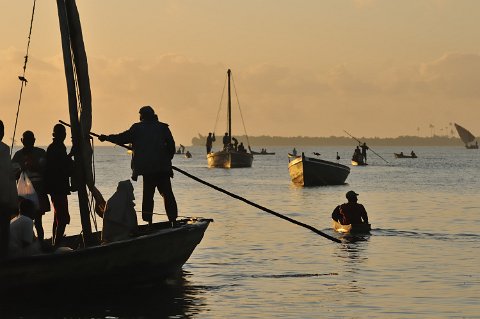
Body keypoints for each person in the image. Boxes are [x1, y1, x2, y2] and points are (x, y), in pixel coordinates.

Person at [98, 106, 178, 225]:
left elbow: (122, 138)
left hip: (148, 170)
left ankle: (149, 223)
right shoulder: (163, 128)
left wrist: (107, 138)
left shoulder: (138, 128)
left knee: (148, 196)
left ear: (142, 116)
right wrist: (166, 160)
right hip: (162, 168)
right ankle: (173, 221)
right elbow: (171, 147)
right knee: (167, 194)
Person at [12, 131, 50, 241]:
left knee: (38, 220)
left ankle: (40, 242)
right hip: (24, 194)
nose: (28, 142)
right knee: (25, 219)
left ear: (34, 140)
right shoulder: (18, 155)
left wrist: (34, 166)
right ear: (22, 141)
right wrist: (21, 169)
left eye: (30, 140)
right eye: (26, 140)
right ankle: (30, 241)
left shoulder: (41, 153)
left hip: (38, 192)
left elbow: (46, 170)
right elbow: (13, 174)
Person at [45, 124, 74, 246]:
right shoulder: (55, 148)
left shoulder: (58, 147)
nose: (64, 135)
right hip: (57, 187)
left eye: (64, 133)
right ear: (56, 134)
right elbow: (59, 166)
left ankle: (54, 242)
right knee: (62, 218)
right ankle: (56, 244)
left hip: (57, 188)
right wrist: (71, 156)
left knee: (58, 216)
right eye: (62, 133)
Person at [0, 120, 18, 259]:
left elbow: (9, 178)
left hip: (5, 200)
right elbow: (9, 179)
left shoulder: (5, 149)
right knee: (4, 233)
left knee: (5, 232)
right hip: (4, 200)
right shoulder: (4, 150)